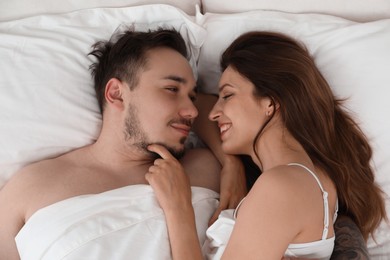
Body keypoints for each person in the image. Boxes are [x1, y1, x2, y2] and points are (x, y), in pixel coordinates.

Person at [0, 28, 246, 259]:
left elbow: (212, 107)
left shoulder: (205, 167)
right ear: (116, 93)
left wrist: (231, 161)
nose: (191, 110)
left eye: (191, 96)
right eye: (171, 89)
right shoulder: (31, 187)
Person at [146, 31, 387, 259]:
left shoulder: (281, 186)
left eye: (228, 95)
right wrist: (230, 162)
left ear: (270, 102)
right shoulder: (310, 175)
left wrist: (178, 209)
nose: (213, 113)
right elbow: (199, 106)